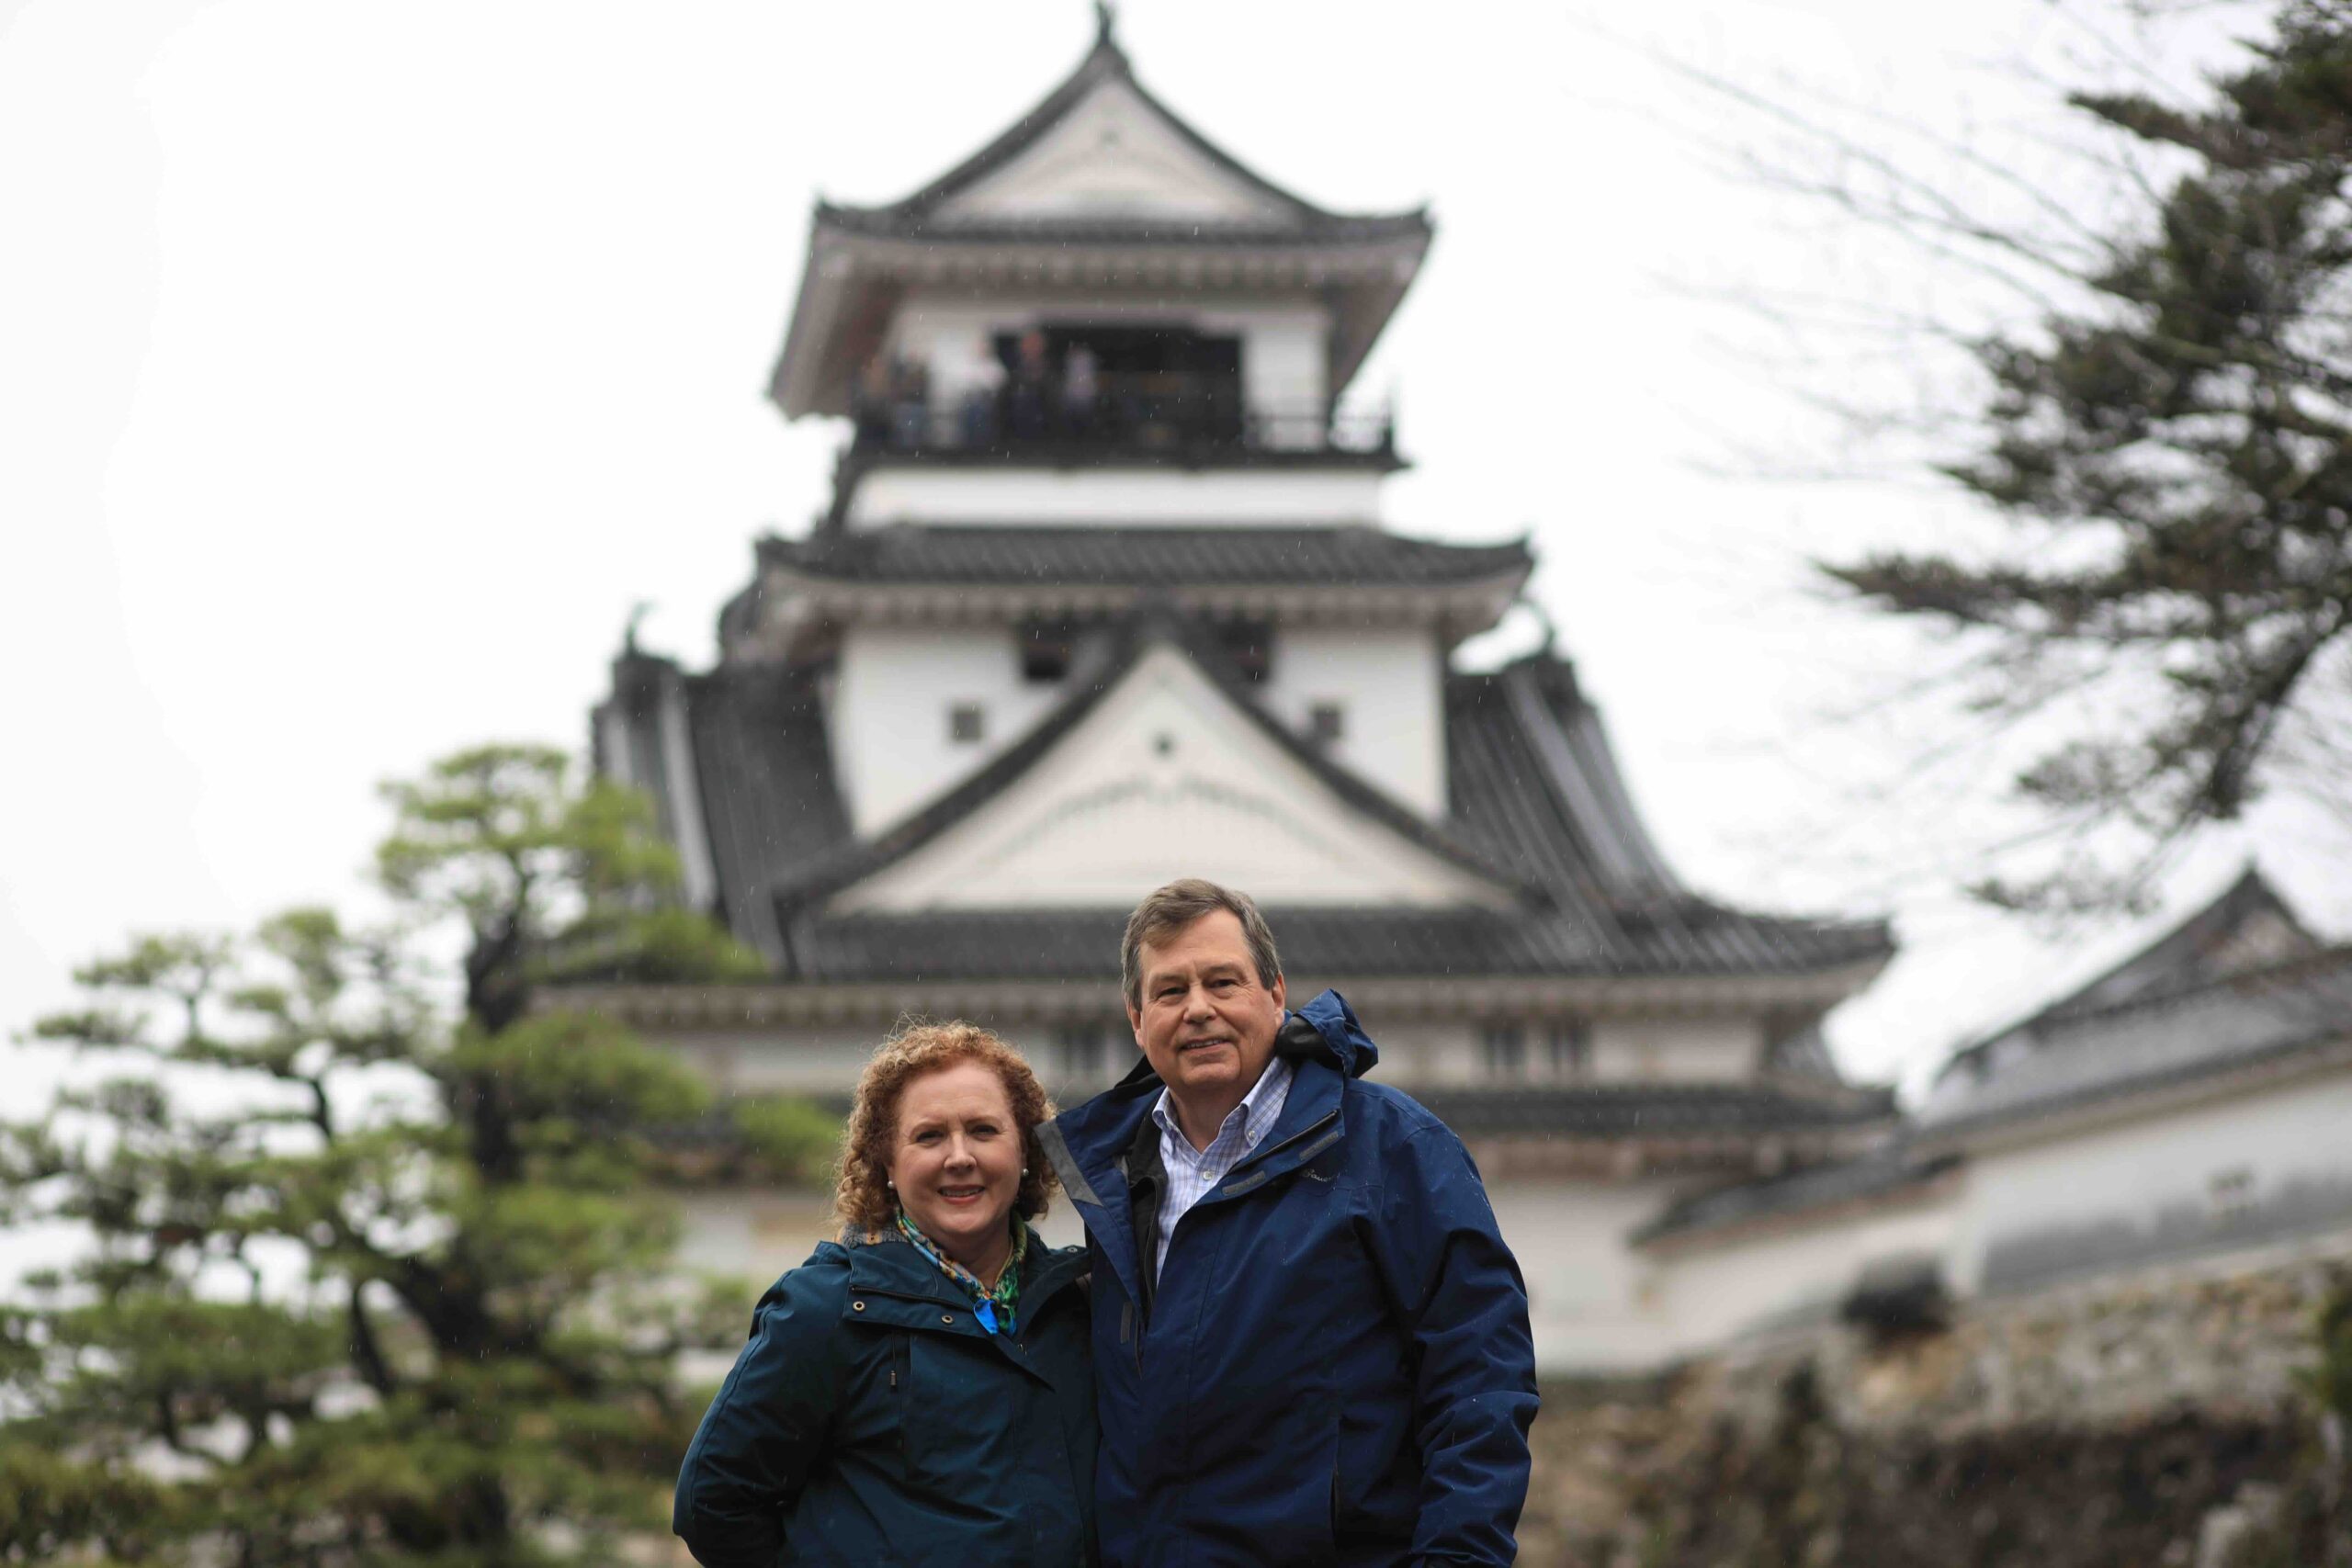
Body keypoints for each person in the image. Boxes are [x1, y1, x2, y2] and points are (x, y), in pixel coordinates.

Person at [1039, 880, 1538, 1567]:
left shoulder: (1392, 1146)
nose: (1199, 1009)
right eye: (1170, 990)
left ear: (1276, 993)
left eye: (1223, 981)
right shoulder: (1116, 1173)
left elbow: (1479, 1378)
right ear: (1136, 1017)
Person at [674, 1022, 1097, 1567]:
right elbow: (712, 1503)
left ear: (1025, 1151)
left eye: (984, 1130)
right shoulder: (827, 1308)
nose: (960, 1156)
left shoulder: (1078, 1300)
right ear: (888, 1166)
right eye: (929, 1136)